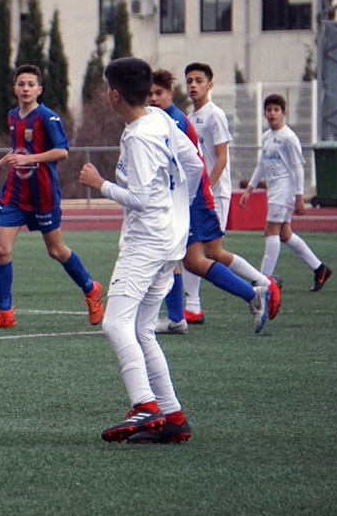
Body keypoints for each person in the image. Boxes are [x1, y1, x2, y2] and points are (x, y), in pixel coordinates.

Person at [79, 57, 207, 444]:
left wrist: (99, 184)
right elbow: (196, 165)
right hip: (171, 240)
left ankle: (144, 406)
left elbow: (142, 200)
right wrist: (178, 210)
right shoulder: (161, 117)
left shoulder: (138, 135)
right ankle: (173, 417)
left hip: (147, 243)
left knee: (115, 324)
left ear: (114, 95)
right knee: (142, 329)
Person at [148, 70, 280, 334]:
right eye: (149, 94)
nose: (153, 99)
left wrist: (184, 197)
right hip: (184, 198)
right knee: (189, 260)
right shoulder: (168, 118)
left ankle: (254, 289)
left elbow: (196, 164)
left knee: (191, 257)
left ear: (170, 94)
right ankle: (182, 315)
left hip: (192, 198)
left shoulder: (173, 121)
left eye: (158, 93)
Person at [0, 64, 103, 334]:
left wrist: (29, 159)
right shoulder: (13, 117)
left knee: (56, 250)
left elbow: (62, 152)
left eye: (31, 84)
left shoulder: (47, 117)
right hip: (15, 193)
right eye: (21, 84)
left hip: (43, 194)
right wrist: (1, 164)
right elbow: (18, 149)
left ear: (39, 89)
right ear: (15, 88)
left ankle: (91, 289)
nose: (25, 89)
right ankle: (4, 312)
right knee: (1, 250)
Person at [240, 94, 332, 291]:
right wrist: (249, 189)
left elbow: (299, 168)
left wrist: (299, 197)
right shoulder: (266, 137)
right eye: (269, 110)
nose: (272, 113)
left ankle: (263, 281)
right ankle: (320, 268)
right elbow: (262, 165)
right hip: (273, 191)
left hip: (285, 191)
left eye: (276, 110)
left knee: (270, 231)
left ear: (284, 113)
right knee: (284, 233)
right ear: (264, 113)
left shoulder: (289, 138)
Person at [181, 62, 233, 324]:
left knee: (213, 252)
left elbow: (221, 158)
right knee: (191, 248)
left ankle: (263, 283)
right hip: (197, 195)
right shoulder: (189, 119)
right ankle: (193, 305)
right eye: (189, 80)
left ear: (210, 85)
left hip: (215, 192)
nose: (193, 85)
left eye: (199, 80)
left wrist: (208, 188)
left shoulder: (215, 115)